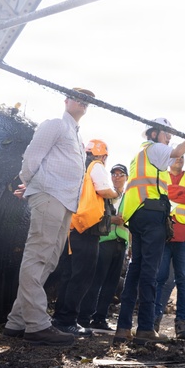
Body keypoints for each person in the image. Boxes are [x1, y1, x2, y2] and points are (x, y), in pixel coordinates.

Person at [113, 111, 185, 345]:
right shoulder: (154, 149)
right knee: (150, 271)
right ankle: (146, 328)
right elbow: (178, 152)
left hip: (137, 215)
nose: (169, 138)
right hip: (151, 214)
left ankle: (123, 327)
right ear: (155, 133)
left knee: (136, 270)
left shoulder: (140, 154)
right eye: (167, 134)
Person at [4, 87, 94, 347]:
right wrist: (33, 184)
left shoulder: (76, 136)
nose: (82, 101)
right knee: (39, 255)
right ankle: (37, 325)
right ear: (66, 100)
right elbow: (32, 157)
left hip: (65, 201)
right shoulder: (55, 124)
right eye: (77, 96)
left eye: (87, 99)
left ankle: (17, 320)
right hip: (51, 195)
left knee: (50, 258)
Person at [50, 139, 117, 336]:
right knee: (82, 277)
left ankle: (60, 318)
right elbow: (104, 190)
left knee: (69, 274)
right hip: (87, 228)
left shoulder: (78, 165)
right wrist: (116, 192)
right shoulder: (96, 166)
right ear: (103, 156)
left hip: (73, 226)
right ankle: (67, 320)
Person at [152, 155, 185, 340]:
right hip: (163, 235)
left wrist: (170, 194)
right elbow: (157, 197)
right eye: (175, 156)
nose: (178, 159)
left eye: (182, 157)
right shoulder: (160, 176)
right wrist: (181, 193)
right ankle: (153, 322)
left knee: (184, 281)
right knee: (160, 279)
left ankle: (182, 326)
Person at [77, 162, 129, 331]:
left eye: (120, 174)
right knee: (96, 280)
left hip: (121, 243)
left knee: (111, 284)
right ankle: (84, 317)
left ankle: (100, 318)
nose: (117, 177)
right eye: (114, 174)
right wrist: (112, 220)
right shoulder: (104, 193)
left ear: (126, 177)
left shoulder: (129, 196)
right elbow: (96, 214)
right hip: (104, 241)